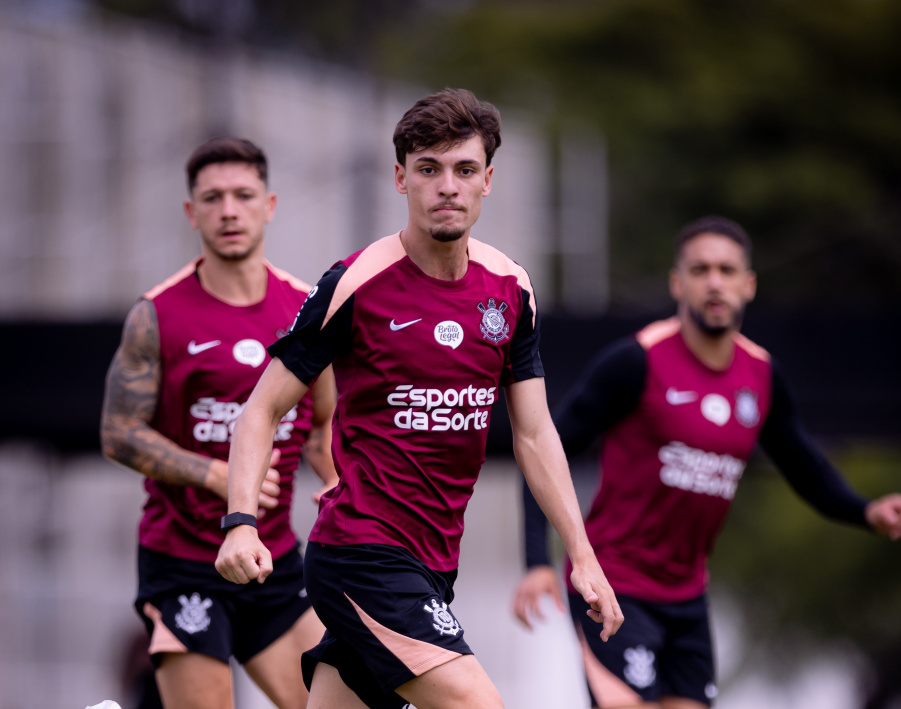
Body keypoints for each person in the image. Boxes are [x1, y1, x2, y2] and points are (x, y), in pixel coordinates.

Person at [214, 88, 624, 709]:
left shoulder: (510, 288)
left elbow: (535, 434)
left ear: (488, 181)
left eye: (464, 170)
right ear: (401, 178)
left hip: (434, 562)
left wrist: (581, 556)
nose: (447, 187)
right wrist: (241, 524)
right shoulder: (354, 282)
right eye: (429, 169)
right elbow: (261, 410)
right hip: (361, 554)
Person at [513, 215, 901, 709]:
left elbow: (805, 467)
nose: (714, 282)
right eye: (700, 269)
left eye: (727, 270)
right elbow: (543, 452)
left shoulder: (762, 376)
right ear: (677, 283)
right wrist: (537, 561)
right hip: (613, 582)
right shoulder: (636, 361)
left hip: (687, 597)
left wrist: (867, 511)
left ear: (748, 285)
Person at [101, 137, 339, 709]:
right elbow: (118, 431)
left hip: (274, 561)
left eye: (243, 195)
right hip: (183, 563)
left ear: (269, 205)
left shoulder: (307, 311)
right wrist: (217, 475)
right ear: (192, 212)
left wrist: (337, 486)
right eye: (212, 198)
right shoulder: (156, 314)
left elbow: (322, 425)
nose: (229, 210)